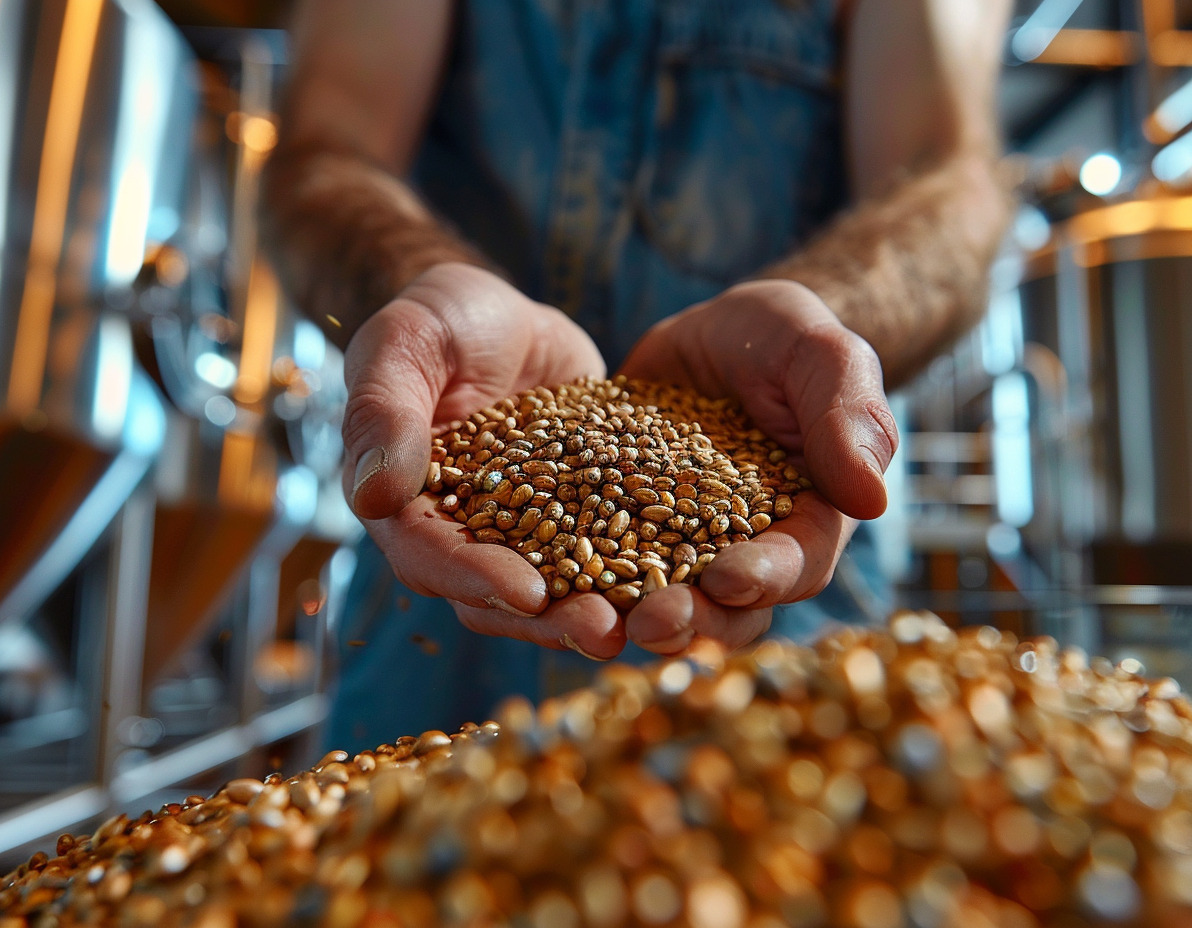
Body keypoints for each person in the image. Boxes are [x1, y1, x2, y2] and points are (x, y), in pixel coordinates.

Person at [261, 0, 1015, 745]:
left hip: (788, 576)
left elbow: (949, 181)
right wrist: (420, 281)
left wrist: (825, 321)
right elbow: (327, 150)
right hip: (434, 585)